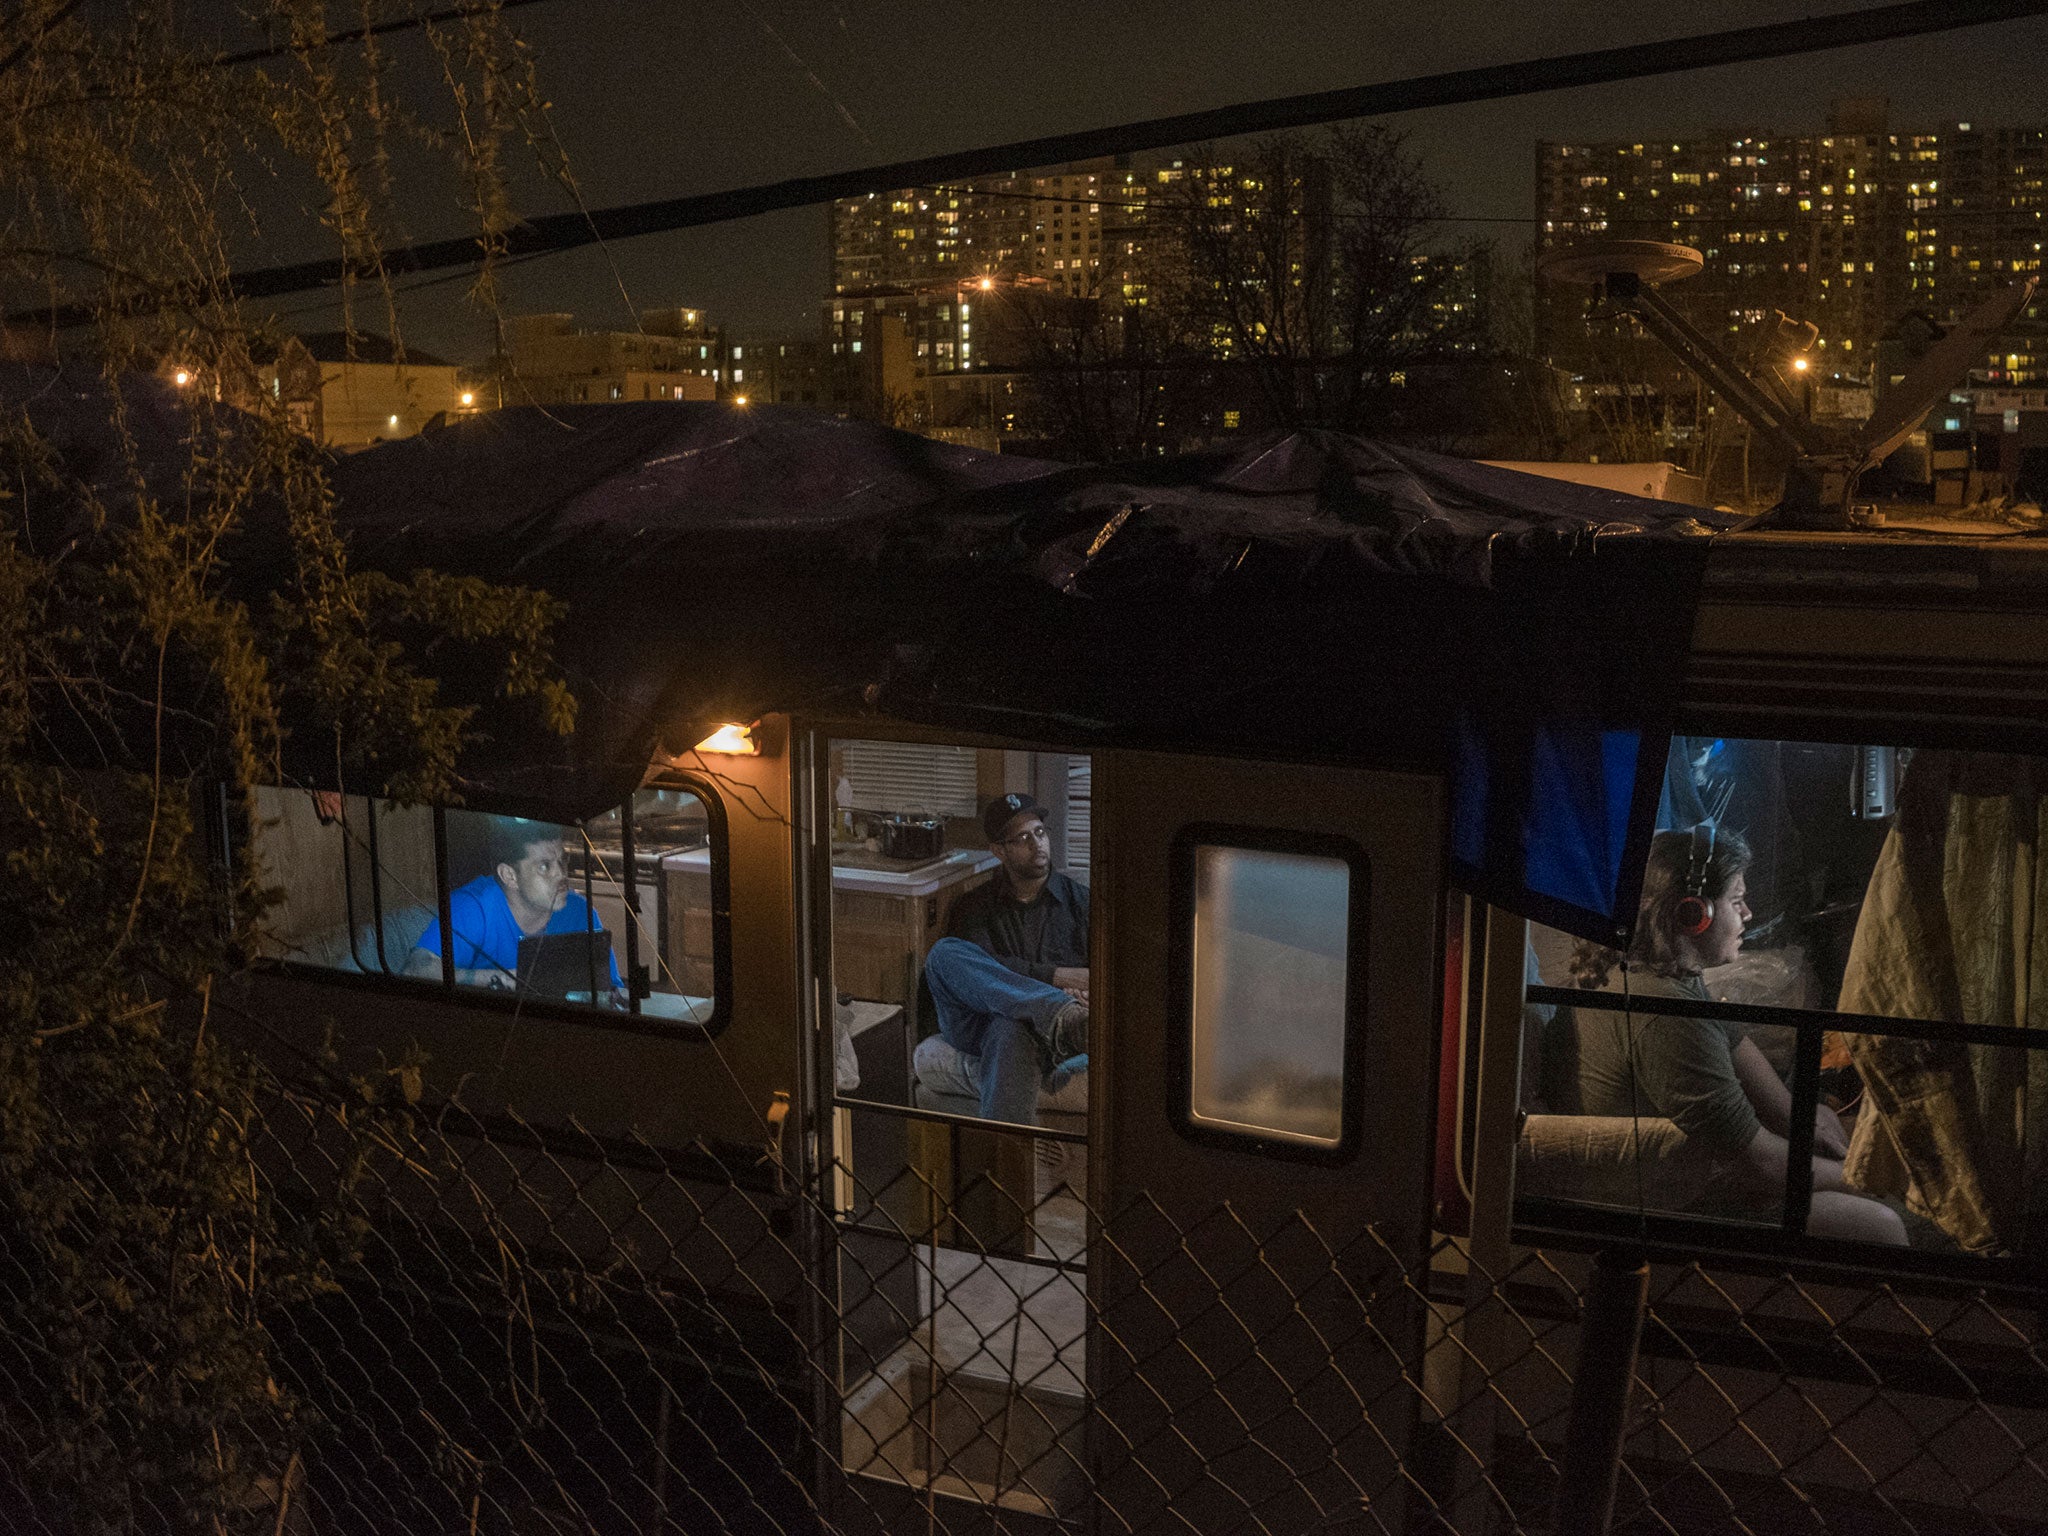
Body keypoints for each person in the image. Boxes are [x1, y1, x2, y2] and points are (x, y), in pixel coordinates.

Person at [1545, 823, 1906, 1246]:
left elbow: (1733, 1041)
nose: (1748, 914)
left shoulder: (1660, 967)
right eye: (1737, 901)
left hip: (1684, 1167)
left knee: (1869, 1140)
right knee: (1882, 1225)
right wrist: (1872, 1179)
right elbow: (1762, 1166)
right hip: (1665, 1204)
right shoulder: (1664, 1012)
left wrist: (1798, 1116)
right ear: (1693, 914)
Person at [920, 791, 1090, 1124]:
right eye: (1023, 838)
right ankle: (1058, 1013)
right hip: (978, 1023)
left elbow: (1098, 976)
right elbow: (980, 976)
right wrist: (1058, 980)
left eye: (1040, 833)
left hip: (1034, 1028)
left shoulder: (1081, 903)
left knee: (1011, 1024)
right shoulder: (974, 907)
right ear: (999, 851)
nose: (1037, 844)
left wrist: (1081, 993)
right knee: (943, 955)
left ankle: (1004, 1163)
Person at [407, 818, 623, 1001]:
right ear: (509, 876)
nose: (561, 875)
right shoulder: (474, 906)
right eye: (544, 866)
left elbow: (611, 992)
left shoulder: (578, 911)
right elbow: (415, 969)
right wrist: (505, 980)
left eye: (562, 861)